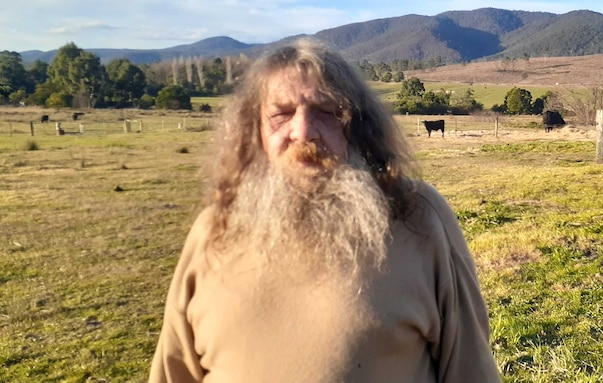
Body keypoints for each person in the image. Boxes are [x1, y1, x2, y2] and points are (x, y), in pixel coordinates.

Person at [148, 39, 502, 383]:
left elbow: (471, 370)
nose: (303, 132)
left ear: (358, 127)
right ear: (253, 130)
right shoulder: (213, 229)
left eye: (327, 112)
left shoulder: (420, 218)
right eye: (281, 113)